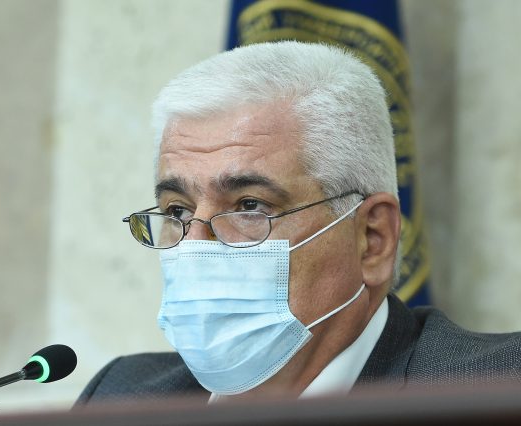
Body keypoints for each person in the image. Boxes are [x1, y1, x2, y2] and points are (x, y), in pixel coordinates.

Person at [77, 41, 521, 404]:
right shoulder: (122, 397)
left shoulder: (498, 389)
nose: (195, 245)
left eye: (249, 206)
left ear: (373, 239)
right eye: (177, 211)